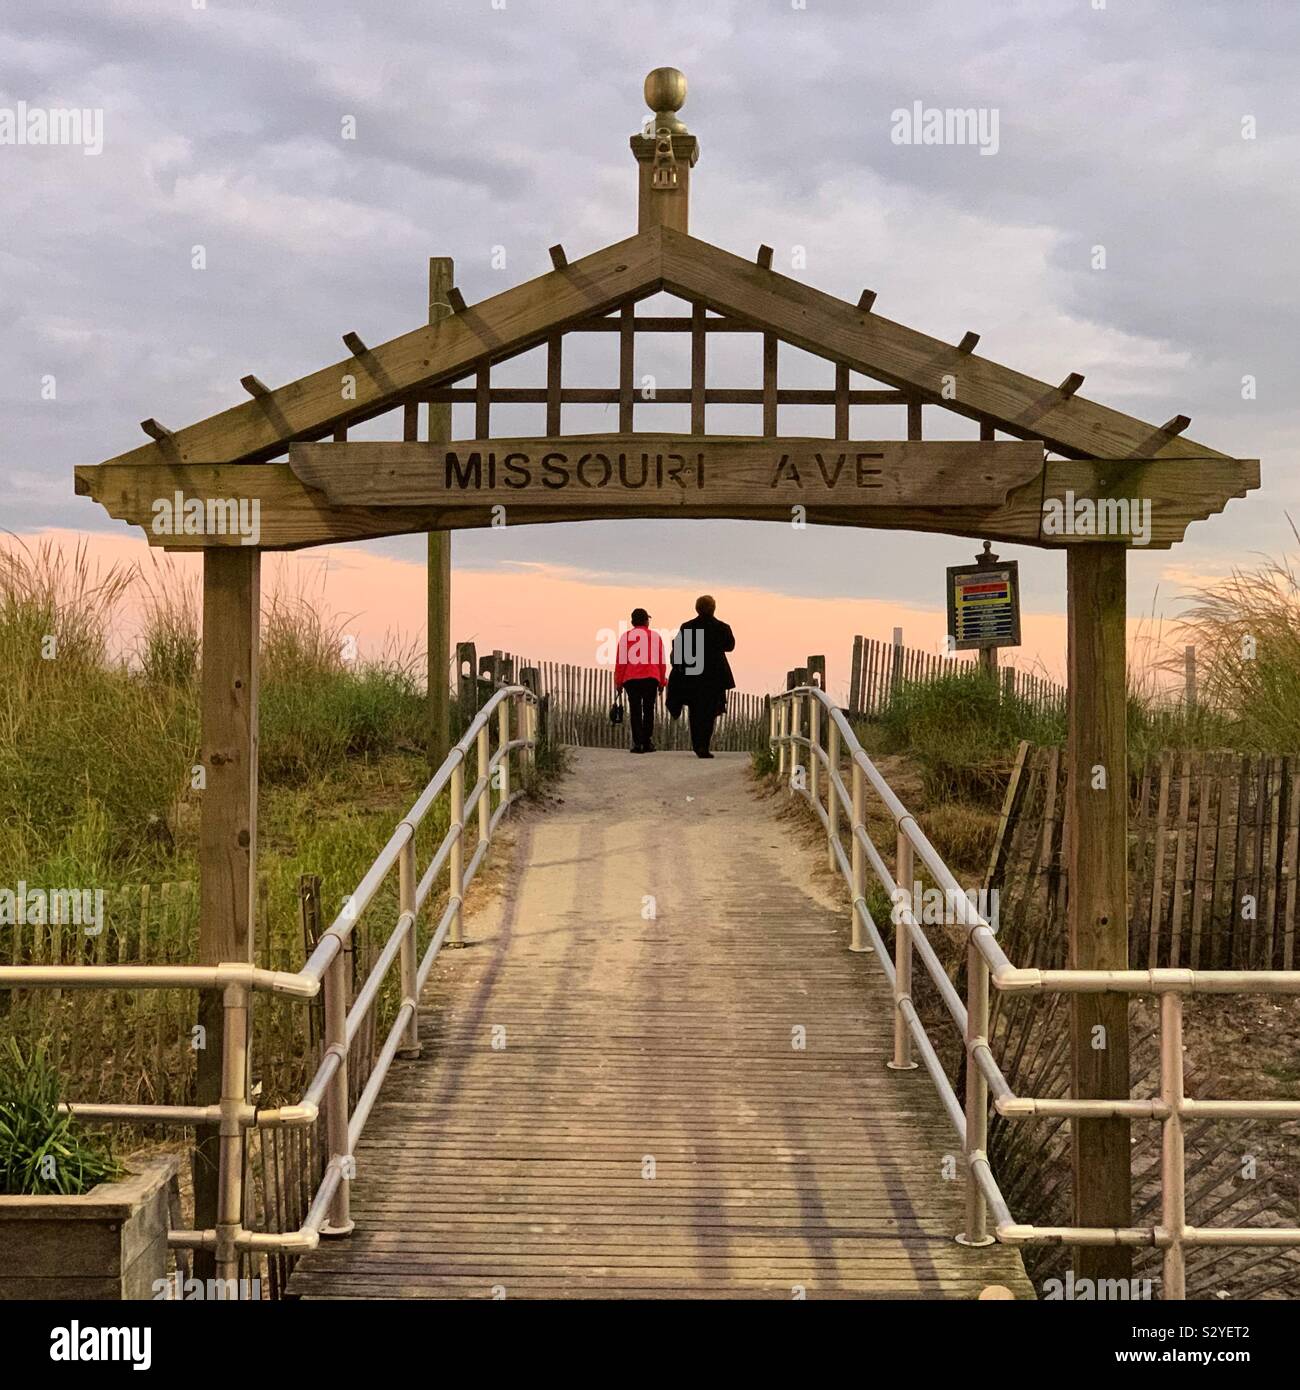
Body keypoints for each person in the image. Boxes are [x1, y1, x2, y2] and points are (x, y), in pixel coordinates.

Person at [667, 595, 736, 759]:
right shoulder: (722, 627)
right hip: (714, 677)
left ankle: (697, 744)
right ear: (714, 608)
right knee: (710, 712)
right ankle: (704, 745)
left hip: (693, 676)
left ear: (697, 608)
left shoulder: (688, 627)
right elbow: (730, 646)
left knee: (695, 711)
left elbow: (678, 650)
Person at [614, 608, 667, 754]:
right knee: (649, 709)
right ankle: (647, 742)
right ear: (646, 621)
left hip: (631, 678)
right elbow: (661, 661)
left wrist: (618, 683)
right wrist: (662, 682)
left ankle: (638, 744)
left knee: (635, 709)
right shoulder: (655, 637)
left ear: (632, 622)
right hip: (651, 677)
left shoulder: (626, 637)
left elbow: (621, 662)